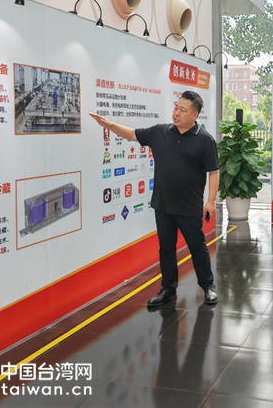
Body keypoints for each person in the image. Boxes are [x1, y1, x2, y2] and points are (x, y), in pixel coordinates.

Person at [89, 90, 219, 306]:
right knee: (166, 248)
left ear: (194, 115)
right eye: (176, 108)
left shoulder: (205, 140)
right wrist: (109, 125)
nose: (176, 113)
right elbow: (132, 134)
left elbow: (213, 172)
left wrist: (211, 201)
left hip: (189, 205)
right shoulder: (160, 132)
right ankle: (168, 288)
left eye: (183, 110)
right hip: (163, 203)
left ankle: (208, 286)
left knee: (197, 247)